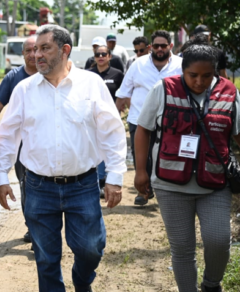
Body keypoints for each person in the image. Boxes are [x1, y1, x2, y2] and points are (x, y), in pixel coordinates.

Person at [0, 24, 127, 292]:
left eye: (45, 48)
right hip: (38, 187)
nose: (37, 55)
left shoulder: (91, 84)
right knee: (46, 259)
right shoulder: (24, 89)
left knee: (91, 248)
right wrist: (0, 176)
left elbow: (112, 131)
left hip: (83, 185)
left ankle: (81, 280)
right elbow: (7, 136)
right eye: (34, 49)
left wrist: (114, 176)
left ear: (65, 50)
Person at [134, 44, 239, 292]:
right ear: (183, 70)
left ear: (216, 72)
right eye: (193, 75)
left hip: (215, 182)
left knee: (219, 240)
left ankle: (212, 285)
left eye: (207, 75)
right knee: (182, 248)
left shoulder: (229, 92)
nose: (199, 81)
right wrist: (141, 171)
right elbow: (143, 130)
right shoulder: (163, 89)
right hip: (170, 184)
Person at [115, 30, 183, 206]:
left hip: (170, 121)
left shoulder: (181, 65)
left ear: (171, 46)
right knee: (142, 158)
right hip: (139, 119)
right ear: (150, 47)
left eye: (163, 46)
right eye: (156, 46)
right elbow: (123, 92)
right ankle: (142, 193)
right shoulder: (138, 65)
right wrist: (115, 117)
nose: (160, 49)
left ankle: (164, 191)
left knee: (164, 156)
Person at [0, 34, 37, 244]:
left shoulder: (52, 74)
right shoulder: (14, 77)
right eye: (29, 51)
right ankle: (34, 229)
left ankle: (43, 230)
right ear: (23, 54)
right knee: (26, 186)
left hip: (45, 144)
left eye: (38, 50)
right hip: (21, 147)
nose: (34, 55)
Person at [88, 45, 124, 198]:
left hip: (110, 119)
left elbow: (123, 94)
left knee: (108, 146)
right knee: (94, 147)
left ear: (110, 56)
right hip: (91, 119)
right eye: (98, 54)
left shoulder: (118, 74)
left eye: (104, 54)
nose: (100, 56)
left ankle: (105, 179)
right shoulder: (88, 75)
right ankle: (96, 181)